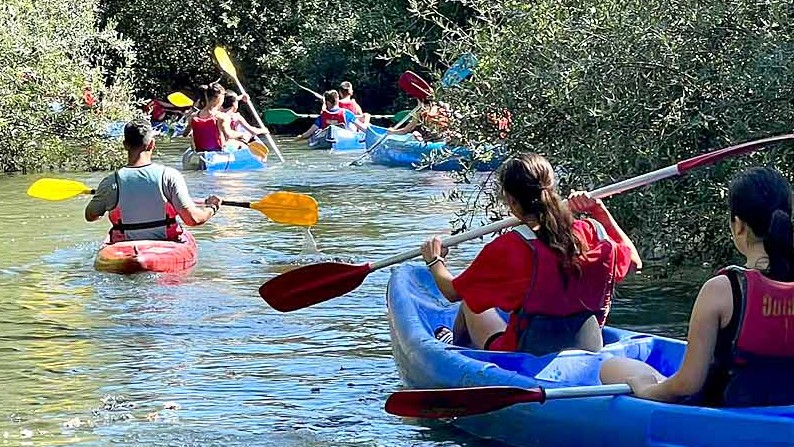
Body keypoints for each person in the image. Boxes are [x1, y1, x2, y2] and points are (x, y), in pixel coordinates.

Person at [601, 167, 794, 407]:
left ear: (739, 225)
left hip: (723, 410)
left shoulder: (723, 289)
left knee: (611, 366)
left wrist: (647, 390)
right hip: (785, 409)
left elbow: (688, 384)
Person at [421, 153, 641, 354]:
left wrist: (435, 261)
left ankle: (454, 351)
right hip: (588, 346)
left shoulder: (508, 247)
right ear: (552, 188)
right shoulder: (592, 232)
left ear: (512, 201)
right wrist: (600, 212)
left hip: (523, 353)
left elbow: (452, 292)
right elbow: (634, 262)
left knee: (470, 301)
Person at [85, 119, 222, 242]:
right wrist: (212, 208)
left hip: (124, 249)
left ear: (125, 145)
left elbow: (91, 216)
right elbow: (193, 219)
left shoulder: (110, 182)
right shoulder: (169, 176)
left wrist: (105, 199)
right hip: (165, 245)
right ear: (151, 144)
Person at [181, 82, 247, 151]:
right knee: (241, 145)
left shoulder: (193, 116)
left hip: (200, 152)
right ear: (219, 98)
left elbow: (185, 134)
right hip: (219, 152)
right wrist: (241, 134)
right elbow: (229, 135)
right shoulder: (222, 117)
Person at [295, 90, 368, 140]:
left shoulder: (322, 117)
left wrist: (298, 138)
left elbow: (308, 133)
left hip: (328, 140)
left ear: (327, 102)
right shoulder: (347, 113)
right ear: (337, 100)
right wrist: (367, 120)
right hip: (344, 140)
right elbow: (363, 129)